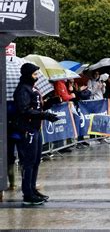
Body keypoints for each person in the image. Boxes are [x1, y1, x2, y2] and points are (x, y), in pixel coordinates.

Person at [12, 63, 59, 205]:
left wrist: (50, 102)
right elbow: (24, 110)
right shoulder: (22, 90)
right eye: (34, 74)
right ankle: (27, 194)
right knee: (29, 162)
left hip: (36, 128)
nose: (36, 76)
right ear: (27, 74)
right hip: (28, 129)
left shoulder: (32, 88)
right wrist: (44, 115)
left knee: (36, 161)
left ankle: (32, 188)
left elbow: (37, 105)